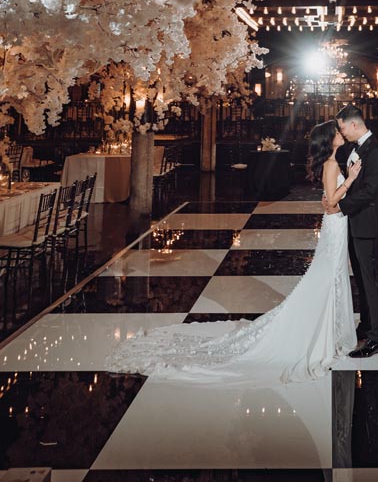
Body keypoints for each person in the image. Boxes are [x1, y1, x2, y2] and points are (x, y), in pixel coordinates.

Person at [104, 120, 361, 384]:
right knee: (329, 275)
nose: (341, 134)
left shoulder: (333, 163)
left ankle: (328, 329)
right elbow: (331, 201)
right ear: (328, 139)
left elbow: (330, 201)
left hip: (337, 224)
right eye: (336, 132)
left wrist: (343, 189)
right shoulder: (331, 165)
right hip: (335, 226)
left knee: (332, 275)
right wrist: (350, 180)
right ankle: (321, 332)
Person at [324, 103, 378, 358]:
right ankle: (367, 325)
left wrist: (340, 206)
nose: (342, 133)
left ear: (353, 124)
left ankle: (377, 340)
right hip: (356, 223)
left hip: (369, 225)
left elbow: (371, 191)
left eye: (342, 128)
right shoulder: (355, 148)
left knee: (372, 282)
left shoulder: (376, 152)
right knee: (362, 280)